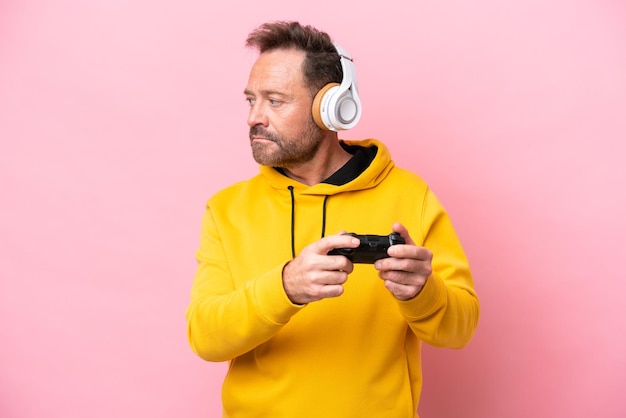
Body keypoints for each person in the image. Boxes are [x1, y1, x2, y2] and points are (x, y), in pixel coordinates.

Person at [186, 20, 480, 418]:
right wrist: (285, 286)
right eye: (250, 100)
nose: (254, 117)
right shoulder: (226, 209)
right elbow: (205, 338)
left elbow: (459, 331)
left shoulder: (411, 196)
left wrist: (422, 293)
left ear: (332, 107)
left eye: (275, 100)